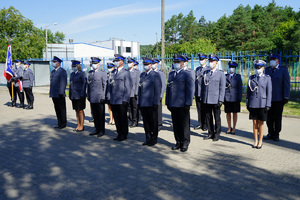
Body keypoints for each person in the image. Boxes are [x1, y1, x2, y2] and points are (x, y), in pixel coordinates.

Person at [165, 54, 195, 152]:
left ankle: (185, 143)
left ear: (183, 63)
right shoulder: (171, 74)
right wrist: (167, 102)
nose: (176, 64)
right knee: (176, 124)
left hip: (183, 104)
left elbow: (190, 89)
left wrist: (188, 103)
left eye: (178, 62)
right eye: (175, 62)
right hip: (173, 103)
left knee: (184, 125)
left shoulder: (187, 74)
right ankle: (178, 142)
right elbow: (168, 89)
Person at [264, 53, 290, 141]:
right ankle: (270, 132)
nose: (271, 61)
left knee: (278, 117)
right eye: (271, 60)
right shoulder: (267, 70)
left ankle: (276, 134)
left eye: (273, 60)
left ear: (278, 61)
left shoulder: (283, 70)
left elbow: (286, 84)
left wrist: (286, 96)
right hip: (268, 98)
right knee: (269, 117)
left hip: (279, 98)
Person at [246, 60, 272, 149]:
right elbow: (248, 92)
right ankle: (255, 140)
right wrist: (247, 103)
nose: (258, 69)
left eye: (259, 68)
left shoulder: (267, 78)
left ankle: (260, 141)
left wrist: (268, 104)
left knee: (261, 123)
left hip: (262, 103)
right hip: (253, 103)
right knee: (254, 123)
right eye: (256, 68)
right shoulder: (252, 78)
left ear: (263, 68)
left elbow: (269, 92)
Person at [138, 57, 162, 146]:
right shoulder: (142, 75)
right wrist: (139, 102)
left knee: (153, 122)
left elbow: (158, 90)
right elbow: (139, 89)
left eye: (147, 64)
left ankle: (154, 139)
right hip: (143, 103)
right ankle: (147, 138)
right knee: (146, 122)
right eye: (144, 64)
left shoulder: (155, 75)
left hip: (152, 103)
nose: (145, 66)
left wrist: (156, 102)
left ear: (151, 65)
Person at [202, 54, 225, 142]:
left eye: (212, 61)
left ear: (216, 62)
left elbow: (222, 88)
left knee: (217, 117)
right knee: (208, 117)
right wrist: (203, 98)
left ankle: (217, 134)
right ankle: (210, 133)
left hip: (215, 99)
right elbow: (204, 87)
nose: (210, 63)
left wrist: (220, 100)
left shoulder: (220, 74)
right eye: (210, 61)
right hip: (207, 99)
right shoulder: (206, 73)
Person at [110, 54, 133, 141]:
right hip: (114, 99)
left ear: (121, 62)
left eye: (117, 61)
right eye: (114, 61)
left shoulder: (126, 72)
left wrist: (125, 99)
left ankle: (124, 134)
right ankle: (119, 133)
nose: (115, 62)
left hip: (121, 99)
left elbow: (128, 87)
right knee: (116, 117)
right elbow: (110, 86)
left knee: (122, 117)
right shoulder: (113, 72)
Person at [87, 57, 107, 137]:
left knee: (100, 115)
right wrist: (88, 95)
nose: (94, 65)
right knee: (95, 115)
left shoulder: (102, 73)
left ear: (99, 64)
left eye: (95, 63)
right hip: (92, 97)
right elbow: (88, 85)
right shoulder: (90, 73)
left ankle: (101, 130)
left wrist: (103, 96)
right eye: (93, 63)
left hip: (99, 97)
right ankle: (96, 129)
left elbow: (104, 85)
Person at [224, 61, 242, 135]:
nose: (231, 69)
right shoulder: (225, 76)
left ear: (235, 69)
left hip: (235, 98)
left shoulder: (238, 77)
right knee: (228, 113)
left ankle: (234, 128)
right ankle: (229, 127)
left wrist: (239, 98)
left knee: (234, 113)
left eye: (233, 67)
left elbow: (240, 88)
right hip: (227, 97)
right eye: (230, 67)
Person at [50, 56, 67, 129]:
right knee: (57, 109)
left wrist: (61, 92)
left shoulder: (62, 71)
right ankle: (59, 122)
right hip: (54, 93)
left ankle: (63, 123)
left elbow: (63, 83)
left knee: (62, 109)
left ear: (58, 63)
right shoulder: (53, 71)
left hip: (59, 94)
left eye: (54, 62)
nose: (53, 63)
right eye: (53, 62)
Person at [69, 60, 87, 132]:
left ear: (78, 66)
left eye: (74, 66)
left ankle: (81, 125)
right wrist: (70, 94)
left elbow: (84, 84)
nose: (73, 67)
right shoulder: (72, 74)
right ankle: (78, 124)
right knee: (76, 110)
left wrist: (82, 94)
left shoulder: (82, 74)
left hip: (80, 95)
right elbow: (70, 85)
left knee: (80, 110)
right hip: (74, 95)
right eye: (72, 66)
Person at [194, 53, 209, 131]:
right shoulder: (197, 69)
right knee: (199, 109)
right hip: (197, 92)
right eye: (200, 59)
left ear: (205, 60)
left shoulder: (207, 69)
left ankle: (205, 124)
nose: (201, 61)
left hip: (204, 92)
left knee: (205, 109)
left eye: (202, 59)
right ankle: (200, 123)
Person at [152, 58, 166, 131]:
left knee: (158, 110)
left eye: (154, 63)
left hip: (157, 95)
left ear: (157, 64)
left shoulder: (160, 73)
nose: (153, 65)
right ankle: (153, 124)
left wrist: (161, 95)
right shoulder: (150, 72)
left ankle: (159, 124)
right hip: (151, 96)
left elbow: (163, 85)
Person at [127, 57, 140, 128]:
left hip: (134, 93)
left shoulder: (136, 72)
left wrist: (136, 93)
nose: (129, 64)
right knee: (129, 108)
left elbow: (137, 83)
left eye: (130, 63)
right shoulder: (126, 71)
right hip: (127, 93)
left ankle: (135, 121)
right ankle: (131, 120)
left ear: (133, 64)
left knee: (135, 108)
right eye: (128, 63)